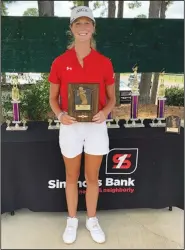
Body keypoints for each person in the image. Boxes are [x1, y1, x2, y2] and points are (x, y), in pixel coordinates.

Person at [48, 6, 116, 244]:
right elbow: (53, 99)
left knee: (92, 176)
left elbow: (111, 99)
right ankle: (72, 220)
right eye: (78, 23)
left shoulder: (104, 62)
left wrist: (105, 113)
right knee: (71, 174)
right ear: (72, 28)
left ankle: (92, 219)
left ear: (93, 28)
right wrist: (60, 116)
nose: (83, 28)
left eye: (87, 23)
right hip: (70, 125)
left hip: (96, 126)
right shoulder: (59, 62)